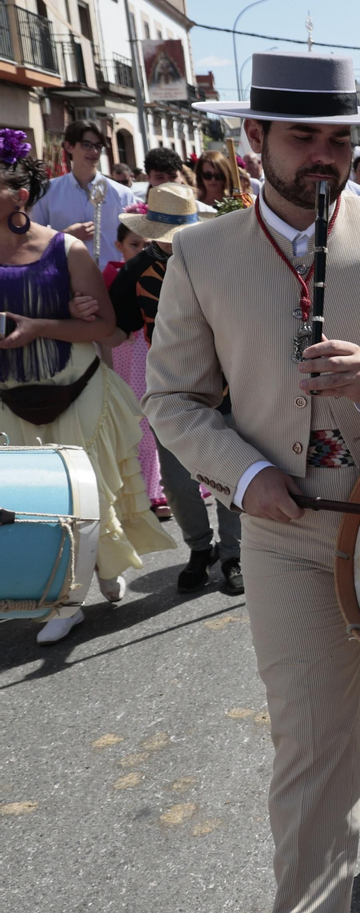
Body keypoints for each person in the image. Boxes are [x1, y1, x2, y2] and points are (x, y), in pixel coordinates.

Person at [148, 51, 360, 913]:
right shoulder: (199, 252)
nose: (323, 156)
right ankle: (311, 906)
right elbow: (173, 399)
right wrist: (246, 473)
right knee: (309, 734)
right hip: (284, 527)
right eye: (302, 138)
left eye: (339, 139)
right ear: (253, 137)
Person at [0, 132, 175, 645]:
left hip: (75, 389)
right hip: (10, 401)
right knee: (36, 506)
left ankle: (83, 586)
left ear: (20, 196)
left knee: (92, 496)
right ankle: (63, 594)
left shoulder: (67, 249)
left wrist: (39, 327)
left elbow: (103, 328)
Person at [105, 184, 241, 596]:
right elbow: (116, 330)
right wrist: (84, 312)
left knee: (228, 473)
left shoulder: (219, 258)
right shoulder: (135, 272)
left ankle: (234, 552)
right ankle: (200, 549)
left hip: (227, 382)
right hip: (169, 386)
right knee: (179, 483)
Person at [97, 207, 165, 520]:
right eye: (133, 245)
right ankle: (135, 487)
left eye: (143, 244)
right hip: (129, 351)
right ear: (120, 246)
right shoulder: (117, 276)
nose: (139, 250)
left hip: (150, 352)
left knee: (150, 422)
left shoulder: (160, 270)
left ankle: (156, 489)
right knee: (132, 419)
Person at [29, 119, 138, 264]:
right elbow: (33, 238)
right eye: (86, 145)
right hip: (66, 278)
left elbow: (137, 239)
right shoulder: (47, 191)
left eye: (98, 146)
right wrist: (65, 236)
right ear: (69, 146)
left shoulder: (122, 193)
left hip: (113, 278)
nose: (94, 152)